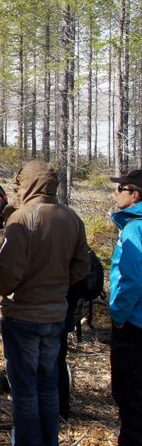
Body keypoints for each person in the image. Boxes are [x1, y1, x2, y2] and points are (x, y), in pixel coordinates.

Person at [0, 161, 90, 446]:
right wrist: (57, 284)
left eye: (19, 183)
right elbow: (82, 266)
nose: (16, 188)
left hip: (23, 314)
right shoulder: (71, 217)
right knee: (48, 386)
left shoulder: (22, 218)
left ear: (30, 184)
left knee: (25, 390)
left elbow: (8, 274)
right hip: (55, 313)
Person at [108, 169, 142, 444]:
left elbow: (131, 279)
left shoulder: (134, 228)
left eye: (121, 189)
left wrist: (118, 316)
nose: (116, 193)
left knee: (130, 395)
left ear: (136, 195)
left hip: (134, 325)